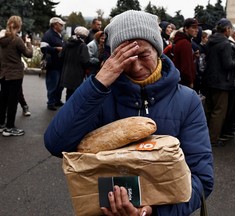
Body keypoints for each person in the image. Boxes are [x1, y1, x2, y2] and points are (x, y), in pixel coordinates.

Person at [44, 10, 213, 215]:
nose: (135, 66)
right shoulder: (100, 94)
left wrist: (154, 212)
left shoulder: (187, 100)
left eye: (143, 55)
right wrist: (98, 83)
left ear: (158, 51)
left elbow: (201, 179)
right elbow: (56, 143)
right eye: (125, 57)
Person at [203, 18, 235, 147]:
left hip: (208, 80)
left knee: (209, 110)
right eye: (230, 29)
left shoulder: (210, 41)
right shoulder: (225, 44)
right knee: (219, 112)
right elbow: (228, 64)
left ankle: (205, 137)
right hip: (221, 83)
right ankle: (213, 139)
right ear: (227, 29)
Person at [0, 16, 33, 136]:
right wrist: (29, 43)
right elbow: (29, 54)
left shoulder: (2, 39)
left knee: (3, 100)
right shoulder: (16, 40)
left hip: (3, 74)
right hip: (15, 75)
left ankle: (1, 124)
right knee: (12, 101)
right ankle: (9, 128)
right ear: (18, 26)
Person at [40, 17, 65, 111]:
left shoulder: (58, 34)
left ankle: (57, 100)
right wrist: (55, 49)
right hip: (53, 64)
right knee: (52, 84)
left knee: (60, 85)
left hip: (59, 64)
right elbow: (43, 48)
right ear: (55, 25)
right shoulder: (48, 34)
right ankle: (50, 103)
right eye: (61, 24)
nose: (62, 26)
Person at [60, 26, 90, 101]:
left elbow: (60, 56)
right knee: (75, 94)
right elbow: (85, 61)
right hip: (77, 73)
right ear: (85, 36)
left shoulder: (67, 43)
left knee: (69, 92)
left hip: (66, 72)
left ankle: (67, 108)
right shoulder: (83, 46)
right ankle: (71, 110)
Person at [172, 18, 200, 88]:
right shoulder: (185, 43)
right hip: (184, 83)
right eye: (193, 27)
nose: (197, 30)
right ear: (186, 29)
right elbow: (185, 67)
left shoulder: (183, 41)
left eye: (197, 27)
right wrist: (190, 82)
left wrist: (192, 56)